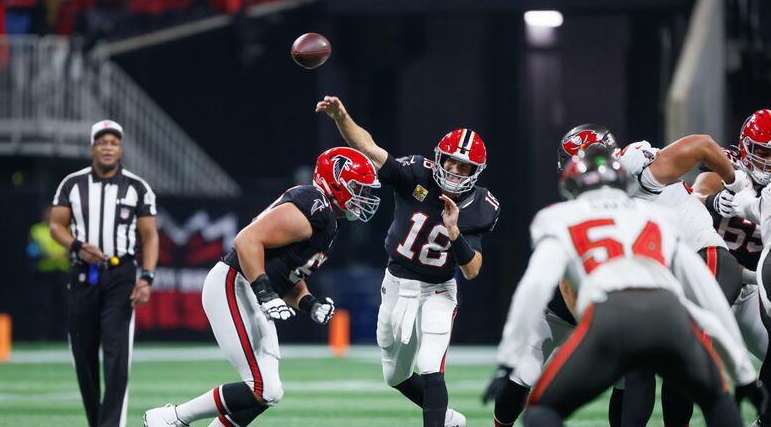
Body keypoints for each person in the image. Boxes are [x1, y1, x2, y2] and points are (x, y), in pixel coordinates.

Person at [489, 125, 760, 427]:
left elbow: (534, 287)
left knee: (550, 407)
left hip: (617, 308)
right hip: (665, 299)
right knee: (701, 387)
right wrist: (743, 374)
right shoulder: (653, 216)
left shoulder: (565, 213)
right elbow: (701, 288)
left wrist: (739, 187)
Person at [144, 147, 382, 427]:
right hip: (234, 284)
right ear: (336, 182)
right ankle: (170, 418)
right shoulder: (314, 205)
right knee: (261, 387)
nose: (363, 197)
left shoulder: (326, 221)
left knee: (269, 391)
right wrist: (265, 293)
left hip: (250, 291)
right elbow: (246, 240)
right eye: (358, 188)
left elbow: (288, 275)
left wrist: (309, 303)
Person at [316, 95, 500, 427]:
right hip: (397, 283)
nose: (456, 172)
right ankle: (450, 420)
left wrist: (455, 232)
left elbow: (472, 271)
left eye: (465, 167)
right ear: (438, 159)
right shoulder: (416, 173)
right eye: (451, 162)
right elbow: (371, 149)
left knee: (431, 364)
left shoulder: (481, 207)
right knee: (394, 374)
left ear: (476, 172)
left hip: (438, 290)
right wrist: (341, 116)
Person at [49, 119, 159, 427]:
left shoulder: (137, 187)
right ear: (93, 147)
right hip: (83, 274)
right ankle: (96, 422)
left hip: (120, 275)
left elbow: (150, 236)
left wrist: (147, 277)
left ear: (120, 148)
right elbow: (56, 224)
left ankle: (110, 424)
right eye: (102, 142)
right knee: (83, 354)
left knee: (116, 356)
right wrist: (76, 246)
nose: (108, 147)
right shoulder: (72, 184)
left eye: (113, 143)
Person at [702, 109, 771, 426]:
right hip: (710, 282)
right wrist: (714, 201)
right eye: (763, 153)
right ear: (745, 149)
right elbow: (698, 191)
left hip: (752, 292)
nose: (768, 163)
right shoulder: (728, 164)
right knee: (694, 371)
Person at [27, 205, 70, 339]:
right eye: (48, 214)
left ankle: (65, 334)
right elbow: (31, 249)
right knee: (45, 305)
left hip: (63, 271)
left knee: (65, 304)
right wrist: (46, 255)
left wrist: (65, 256)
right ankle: (44, 336)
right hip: (45, 272)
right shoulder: (36, 230)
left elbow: (74, 246)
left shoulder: (66, 228)